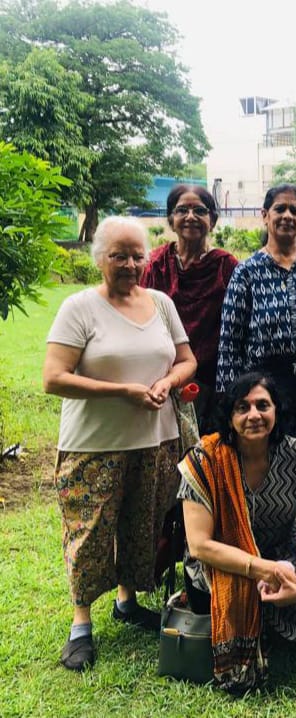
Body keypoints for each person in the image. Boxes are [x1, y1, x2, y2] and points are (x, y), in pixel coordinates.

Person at [43, 216, 197, 672]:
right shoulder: (79, 308)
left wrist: (168, 382)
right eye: (119, 256)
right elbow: (54, 378)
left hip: (156, 441)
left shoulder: (162, 304)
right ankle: (80, 627)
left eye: (137, 255)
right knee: (89, 531)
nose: (130, 264)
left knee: (143, 525)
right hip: (93, 444)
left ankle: (127, 602)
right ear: (99, 258)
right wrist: (125, 392)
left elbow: (187, 359)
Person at [178, 372, 296, 693]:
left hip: (278, 556)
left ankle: (267, 627)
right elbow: (200, 545)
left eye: (263, 405)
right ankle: (250, 639)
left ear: (277, 411)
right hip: (219, 564)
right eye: (242, 407)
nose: (254, 415)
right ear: (229, 417)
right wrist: (262, 569)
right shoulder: (205, 461)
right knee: (239, 590)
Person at [217, 183, 296, 461]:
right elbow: (229, 344)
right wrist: (230, 403)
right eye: (280, 209)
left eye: (294, 210)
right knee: (263, 470)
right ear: (265, 215)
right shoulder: (246, 273)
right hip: (260, 400)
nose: (287, 215)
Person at [140, 184, 238, 430]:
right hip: (158, 378)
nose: (191, 217)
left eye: (200, 210)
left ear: (212, 220)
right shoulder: (154, 264)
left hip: (210, 382)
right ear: (171, 220)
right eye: (182, 210)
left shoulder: (226, 267)